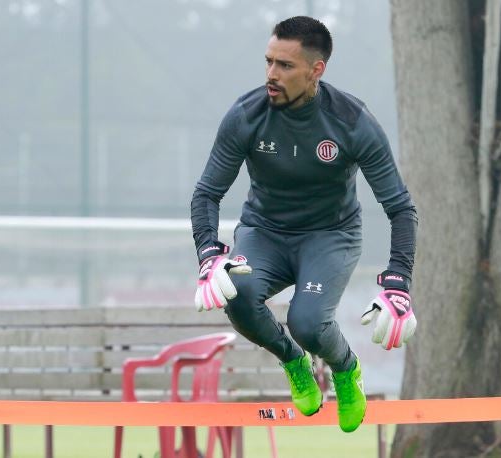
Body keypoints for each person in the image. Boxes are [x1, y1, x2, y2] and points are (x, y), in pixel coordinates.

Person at [190, 16, 418, 433]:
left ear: (317, 71)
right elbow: (206, 193)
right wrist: (207, 251)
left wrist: (399, 281)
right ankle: (295, 362)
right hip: (264, 233)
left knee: (309, 323)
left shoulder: (352, 122)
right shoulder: (245, 114)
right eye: (268, 61)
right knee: (235, 294)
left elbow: (400, 207)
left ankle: (345, 369)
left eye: (285, 66)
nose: (271, 75)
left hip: (330, 236)